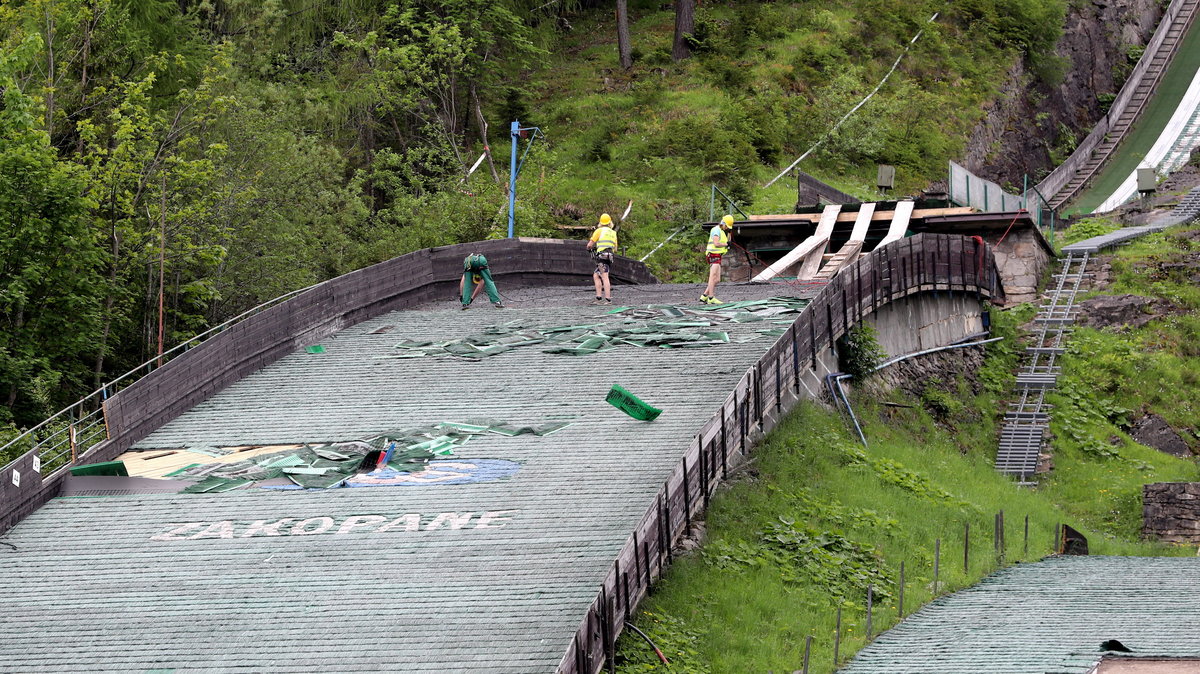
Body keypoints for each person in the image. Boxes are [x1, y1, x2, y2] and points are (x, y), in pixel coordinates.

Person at [586, 213, 618, 305]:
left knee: (604, 276)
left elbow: (590, 244)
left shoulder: (599, 231)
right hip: (609, 256)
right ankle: (599, 297)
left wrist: (589, 248)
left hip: (602, 256)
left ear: (600, 222)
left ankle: (607, 299)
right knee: (596, 275)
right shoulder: (613, 233)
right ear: (610, 222)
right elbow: (615, 248)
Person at [701, 215, 733, 305]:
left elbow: (727, 242)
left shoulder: (722, 231)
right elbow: (716, 243)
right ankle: (711, 298)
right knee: (712, 276)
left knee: (717, 279)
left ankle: (704, 295)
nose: (726, 228)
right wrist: (725, 244)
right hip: (713, 255)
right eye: (726, 226)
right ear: (723, 223)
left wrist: (729, 233)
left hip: (718, 256)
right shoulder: (716, 230)